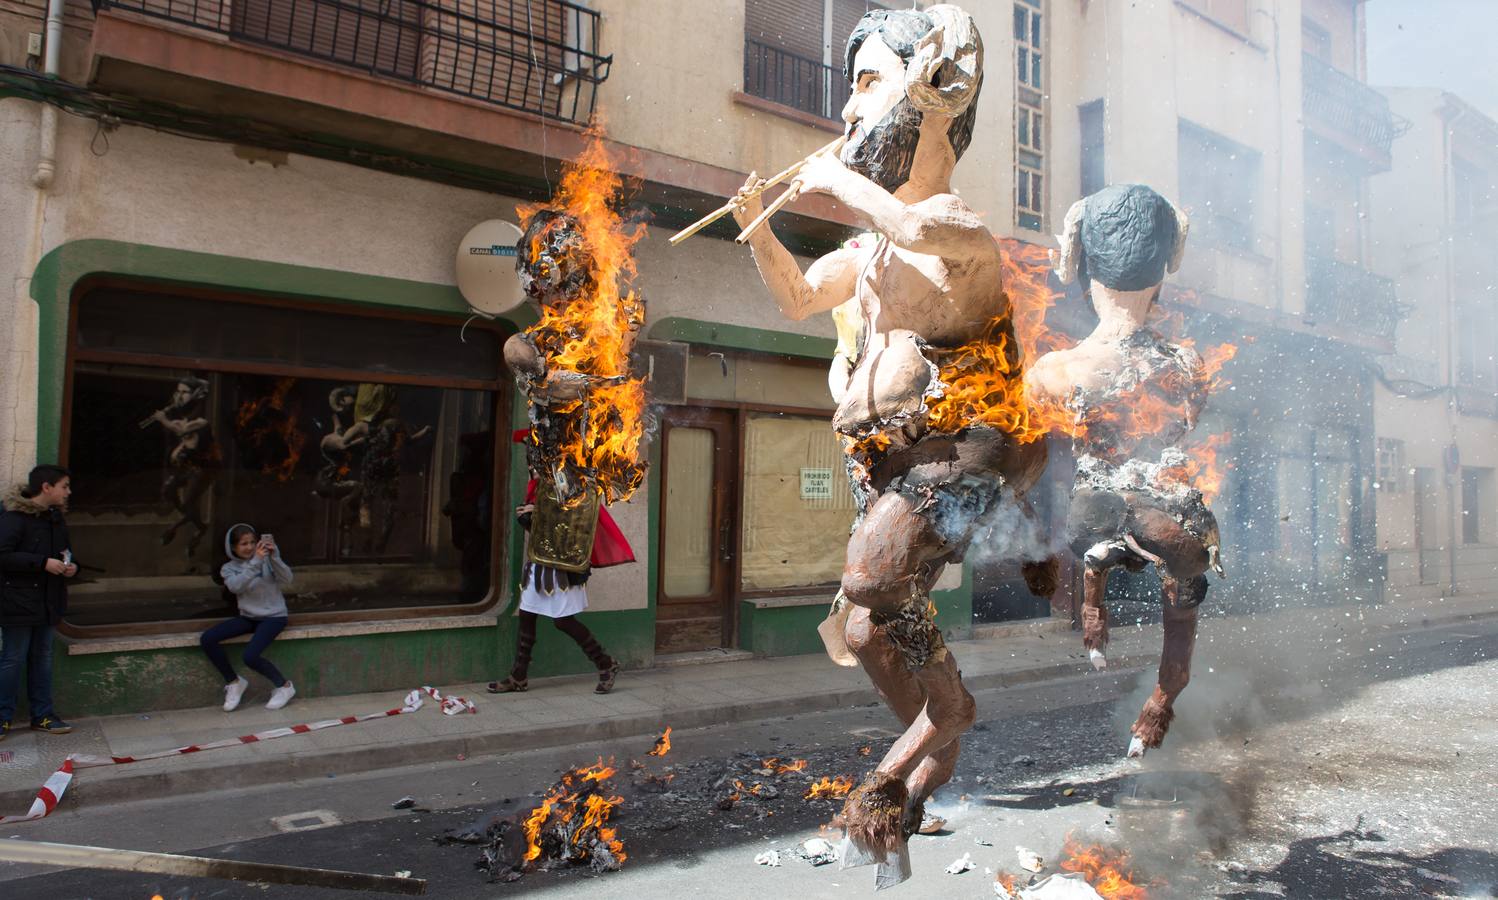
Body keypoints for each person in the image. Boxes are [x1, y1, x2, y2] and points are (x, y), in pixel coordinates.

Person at [488, 461, 635, 696]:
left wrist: (537, 512)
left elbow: (575, 520)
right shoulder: (540, 487)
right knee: (526, 616)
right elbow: (541, 531)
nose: (533, 469)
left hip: (564, 566)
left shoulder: (573, 484)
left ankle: (606, 664)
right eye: (531, 465)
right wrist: (528, 517)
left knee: (563, 621)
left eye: (537, 465)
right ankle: (518, 676)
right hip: (540, 563)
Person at [0, 464, 79, 740]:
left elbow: (66, 552)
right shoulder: (14, 517)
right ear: (47, 487)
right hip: (17, 603)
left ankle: (43, 715)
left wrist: (71, 566)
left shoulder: (56, 518)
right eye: (64, 486)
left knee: (43, 659)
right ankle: (2, 717)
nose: (68, 492)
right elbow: (3, 555)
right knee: (12, 659)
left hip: (48, 602)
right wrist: (43, 563)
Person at [201, 524, 296, 711]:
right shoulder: (228, 569)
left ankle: (284, 687)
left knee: (250, 657)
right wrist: (255, 563)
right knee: (208, 639)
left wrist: (275, 556)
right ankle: (234, 682)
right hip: (248, 617)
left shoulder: (269, 561)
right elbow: (236, 587)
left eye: (253, 542)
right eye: (244, 543)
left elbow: (287, 578)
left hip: (273, 617)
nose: (250, 547)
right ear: (232, 547)